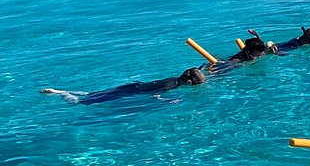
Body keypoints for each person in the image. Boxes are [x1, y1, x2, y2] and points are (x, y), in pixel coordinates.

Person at [41, 67, 207, 104]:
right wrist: (168, 101)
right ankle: (60, 93)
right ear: (189, 82)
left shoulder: (175, 79)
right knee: (82, 102)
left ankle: (61, 90)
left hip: (133, 86)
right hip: (130, 92)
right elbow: (155, 95)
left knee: (91, 93)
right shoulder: (173, 85)